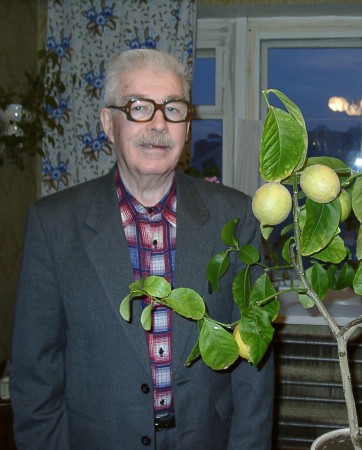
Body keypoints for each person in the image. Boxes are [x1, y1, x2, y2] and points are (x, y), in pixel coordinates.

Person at [10, 48, 274, 450]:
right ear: (108, 123)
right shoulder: (54, 225)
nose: (158, 124)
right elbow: (35, 377)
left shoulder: (236, 218)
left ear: (187, 127)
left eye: (173, 109)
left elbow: (253, 364)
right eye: (138, 107)